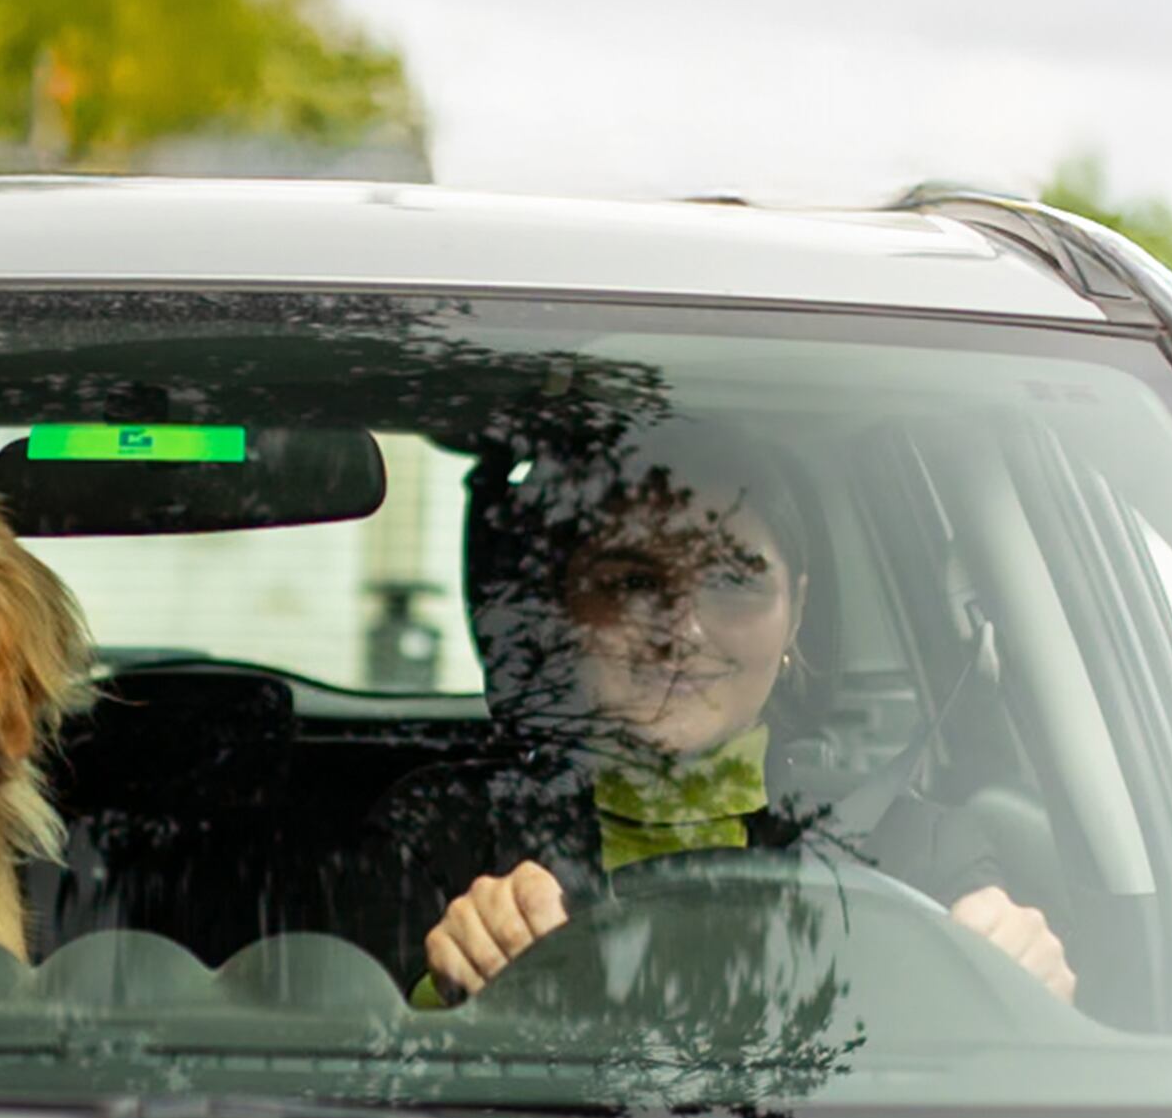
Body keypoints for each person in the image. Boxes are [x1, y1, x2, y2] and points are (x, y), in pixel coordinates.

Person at [372, 421, 1074, 1008]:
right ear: (565, 612)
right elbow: (343, 1073)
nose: (683, 631)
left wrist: (1025, 981)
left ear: (796, 611)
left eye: (733, 581)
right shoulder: (441, 837)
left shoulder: (916, 847)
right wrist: (444, 987)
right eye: (632, 583)